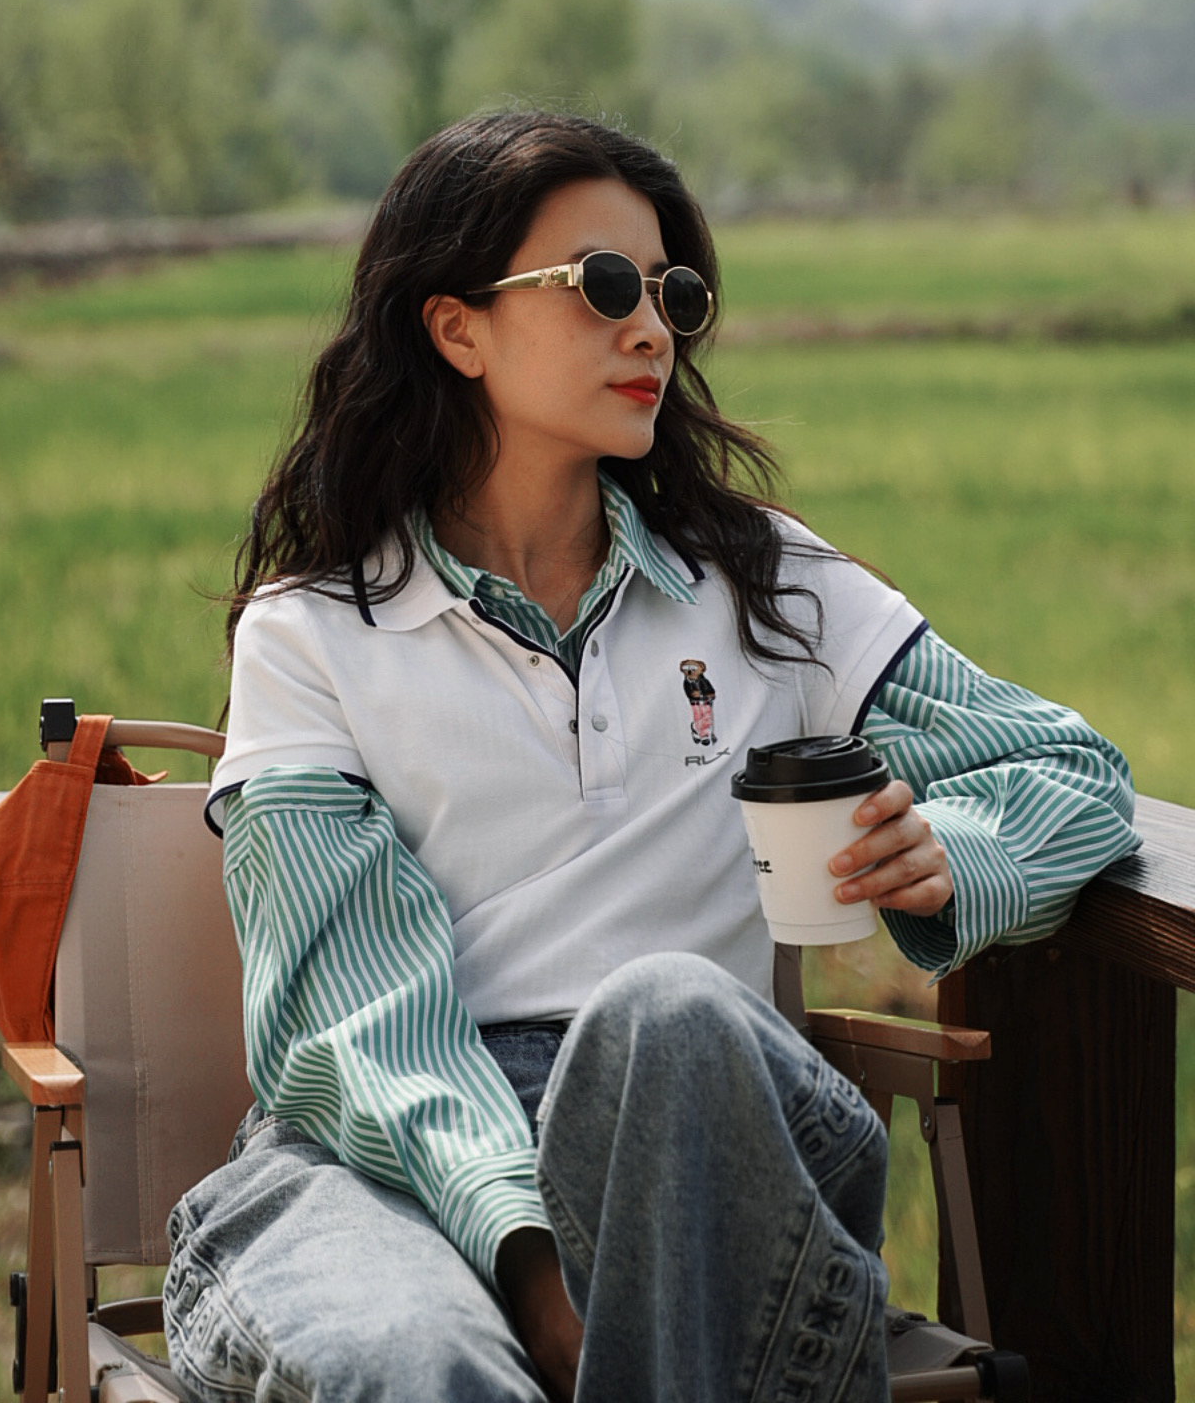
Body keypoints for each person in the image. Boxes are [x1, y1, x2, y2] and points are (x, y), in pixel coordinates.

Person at [165, 111, 1138, 1403]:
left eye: (673, 295)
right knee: (423, 1364)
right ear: (456, 328)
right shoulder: (317, 635)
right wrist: (530, 1264)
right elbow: (351, 1018)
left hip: (700, 1128)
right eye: (604, 285)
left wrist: (946, 856)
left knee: (667, 1013)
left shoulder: (766, 586)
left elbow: (1070, 769)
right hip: (379, 1163)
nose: (653, 332)